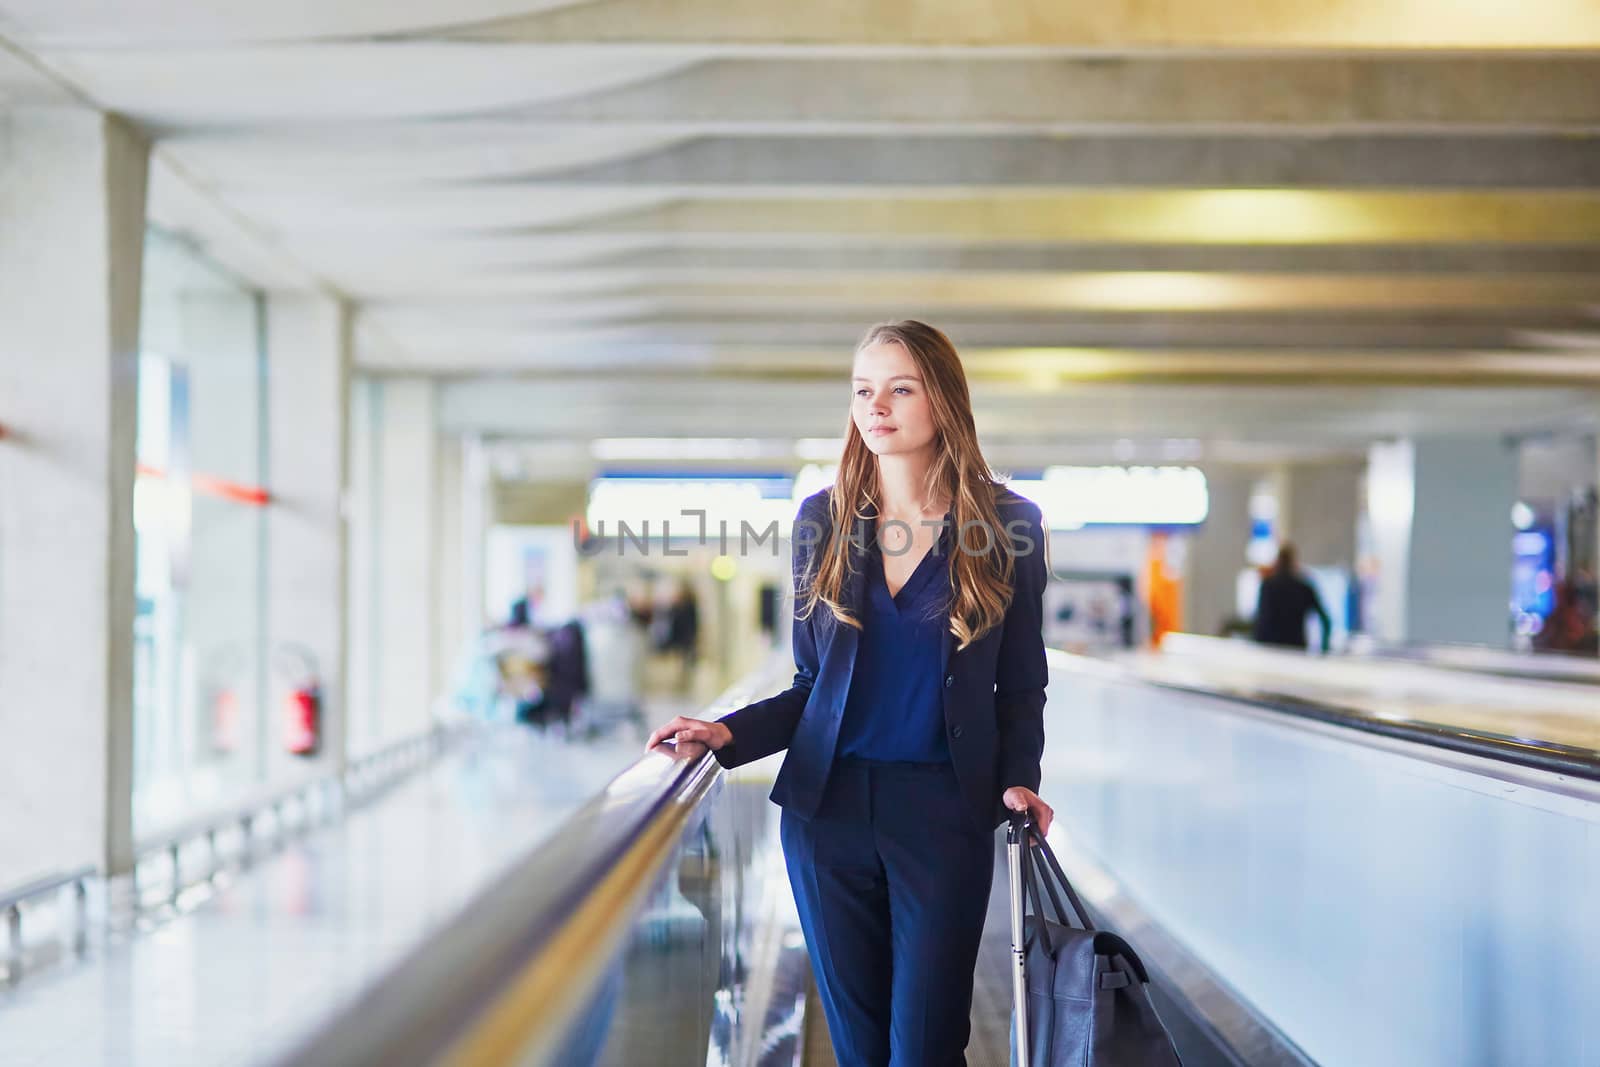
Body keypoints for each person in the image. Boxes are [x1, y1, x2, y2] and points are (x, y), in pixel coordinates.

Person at [647, 320, 1053, 1066]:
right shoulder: (821, 522)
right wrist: (725, 734)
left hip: (943, 816)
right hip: (826, 815)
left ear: (945, 401)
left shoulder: (1009, 525)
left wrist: (1021, 778)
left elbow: (1021, 684)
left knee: (926, 1047)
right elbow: (812, 686)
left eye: (901, 388)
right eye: (864, 390)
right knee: (863, 1053)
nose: (878, 406)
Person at [1252, 544, 1331, 653]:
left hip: (1270, 651)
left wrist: (1257, 649)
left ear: (1277, 561)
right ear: (1293, 562)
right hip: (1296, 650)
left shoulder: (1268, 586)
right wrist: (1324, 649)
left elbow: (1261, 622)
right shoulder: (1304, 588)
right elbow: (1326, 621)